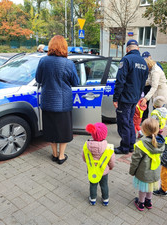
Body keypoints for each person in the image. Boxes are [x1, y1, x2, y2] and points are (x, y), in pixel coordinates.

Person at [35, 35, 79, 165]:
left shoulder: (43, 61)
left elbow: (38, 79)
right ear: (64, 47)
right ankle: (61, 156)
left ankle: (54, 154)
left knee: (51, 129)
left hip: (47, 101)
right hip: (63, 103)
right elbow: (75, 83)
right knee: (63, 130)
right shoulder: (69, 63)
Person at [113, 39, 148, 154]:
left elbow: (120, 80)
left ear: (127, 49)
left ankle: (124, 147)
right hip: (134, 98)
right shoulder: (143, 62)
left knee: (124, 122)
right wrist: (138, 96)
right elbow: (143, 83)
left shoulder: (126, 59)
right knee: (130, 121)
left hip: (125, 98)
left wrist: (116, 98)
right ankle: (131, 145)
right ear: (138, 48)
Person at [129, 118, 165, 211]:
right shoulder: (161, 143)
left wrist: (132, 171)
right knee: (150, 188)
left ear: (144, 131)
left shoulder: (141, 144)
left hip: (144, 172)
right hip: (155, 172)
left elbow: (135, 160)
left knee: (143, 189)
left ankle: (141, 203)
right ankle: (148, 202)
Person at [82, 123, 116, 206]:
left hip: (91, 169)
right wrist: (111, 167)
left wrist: (88, 163)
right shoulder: (108, 148)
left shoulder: (87, 146)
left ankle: (92, 199)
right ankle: (105, 199)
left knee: (93, 184)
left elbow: (84, 157)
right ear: (105, 135)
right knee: (104, 185)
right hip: (104, 171)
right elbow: (111, 161)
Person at [141, 51, 163, 122]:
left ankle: (156, 122)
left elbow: (157, 82)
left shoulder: (157, 66)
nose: (145, 60)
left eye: (147, 58)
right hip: (147, 87)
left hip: (156, 88)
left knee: (156, 105)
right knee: (145, 103)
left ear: (150, 57)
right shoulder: (144, 65)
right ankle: (144, 120)